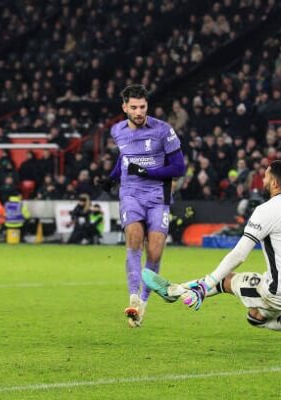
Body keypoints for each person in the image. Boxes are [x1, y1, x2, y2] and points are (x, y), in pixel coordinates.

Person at [142, 160, 281, 345]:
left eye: (266, 177)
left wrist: (205, 286)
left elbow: (240, 254)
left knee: (225, 280)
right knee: (256, 317)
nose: (262, 180)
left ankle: (175, 292)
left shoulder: (266, 210)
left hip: (279, 291)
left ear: (275, 183)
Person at [100, 84, 185, 328]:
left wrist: (148, 172)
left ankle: (144, 303)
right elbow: (125, 158)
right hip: (131, 195)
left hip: (158, 196)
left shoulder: (163, 130)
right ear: (124, 107)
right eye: (134, 107)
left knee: (155, 251)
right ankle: (133, 297)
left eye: (143, 107)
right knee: (134, 237)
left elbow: (179, 168)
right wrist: (112, 177)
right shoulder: (117, 131)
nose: (139, 112)